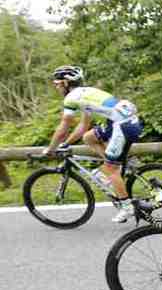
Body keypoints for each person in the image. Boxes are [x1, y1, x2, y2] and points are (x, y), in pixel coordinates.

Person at [43, 65, 143, 223]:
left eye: (57, 84)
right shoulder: (85, 93)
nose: (56, 87)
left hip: (122, 125)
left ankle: (126, 206)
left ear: (66, 83)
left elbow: (63, 128)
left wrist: (51, 149)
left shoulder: (71, 98)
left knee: (110, 170)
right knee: (89, 137)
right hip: (123, 121)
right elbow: (83, 126)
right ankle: (119, 163)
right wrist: (66, 144)